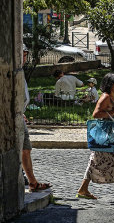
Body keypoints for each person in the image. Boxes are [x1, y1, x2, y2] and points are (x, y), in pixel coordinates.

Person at [22, 44, 51, 192]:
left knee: (25, 149)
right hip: (15, 117)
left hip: (19, 115)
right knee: (22, 149)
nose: (24, 58)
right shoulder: (13, 71)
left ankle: (31, 181)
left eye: (26, 55)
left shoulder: (20, 72)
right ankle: (29, 180)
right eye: (22, 54)